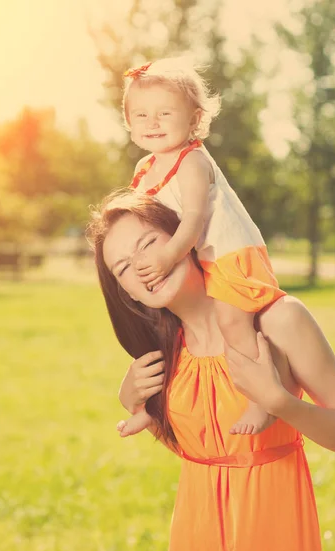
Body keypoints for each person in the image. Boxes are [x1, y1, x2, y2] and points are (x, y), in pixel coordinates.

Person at [87, 192, 335, 551]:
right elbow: (211, 453)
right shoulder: (168, 351)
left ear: (186, 237)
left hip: (272, 535)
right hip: (198, 542)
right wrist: (138, 405)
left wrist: (280, 402)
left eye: (148, 244)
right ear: (125, 292)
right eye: (124, 268)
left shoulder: (279, 320)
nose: (143, 267)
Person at [122, 56, 286, 435]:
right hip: (193, 262)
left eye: (165, 112)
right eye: (141, 115)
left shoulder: (192, 160)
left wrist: (166, 256)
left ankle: (263, 398)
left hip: (229, 253)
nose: (153, 123)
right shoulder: (145, 170)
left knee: (232, 321)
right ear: (129, 123)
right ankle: (155, 404)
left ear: (195, 120)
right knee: (162, 328)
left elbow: (193, 221)